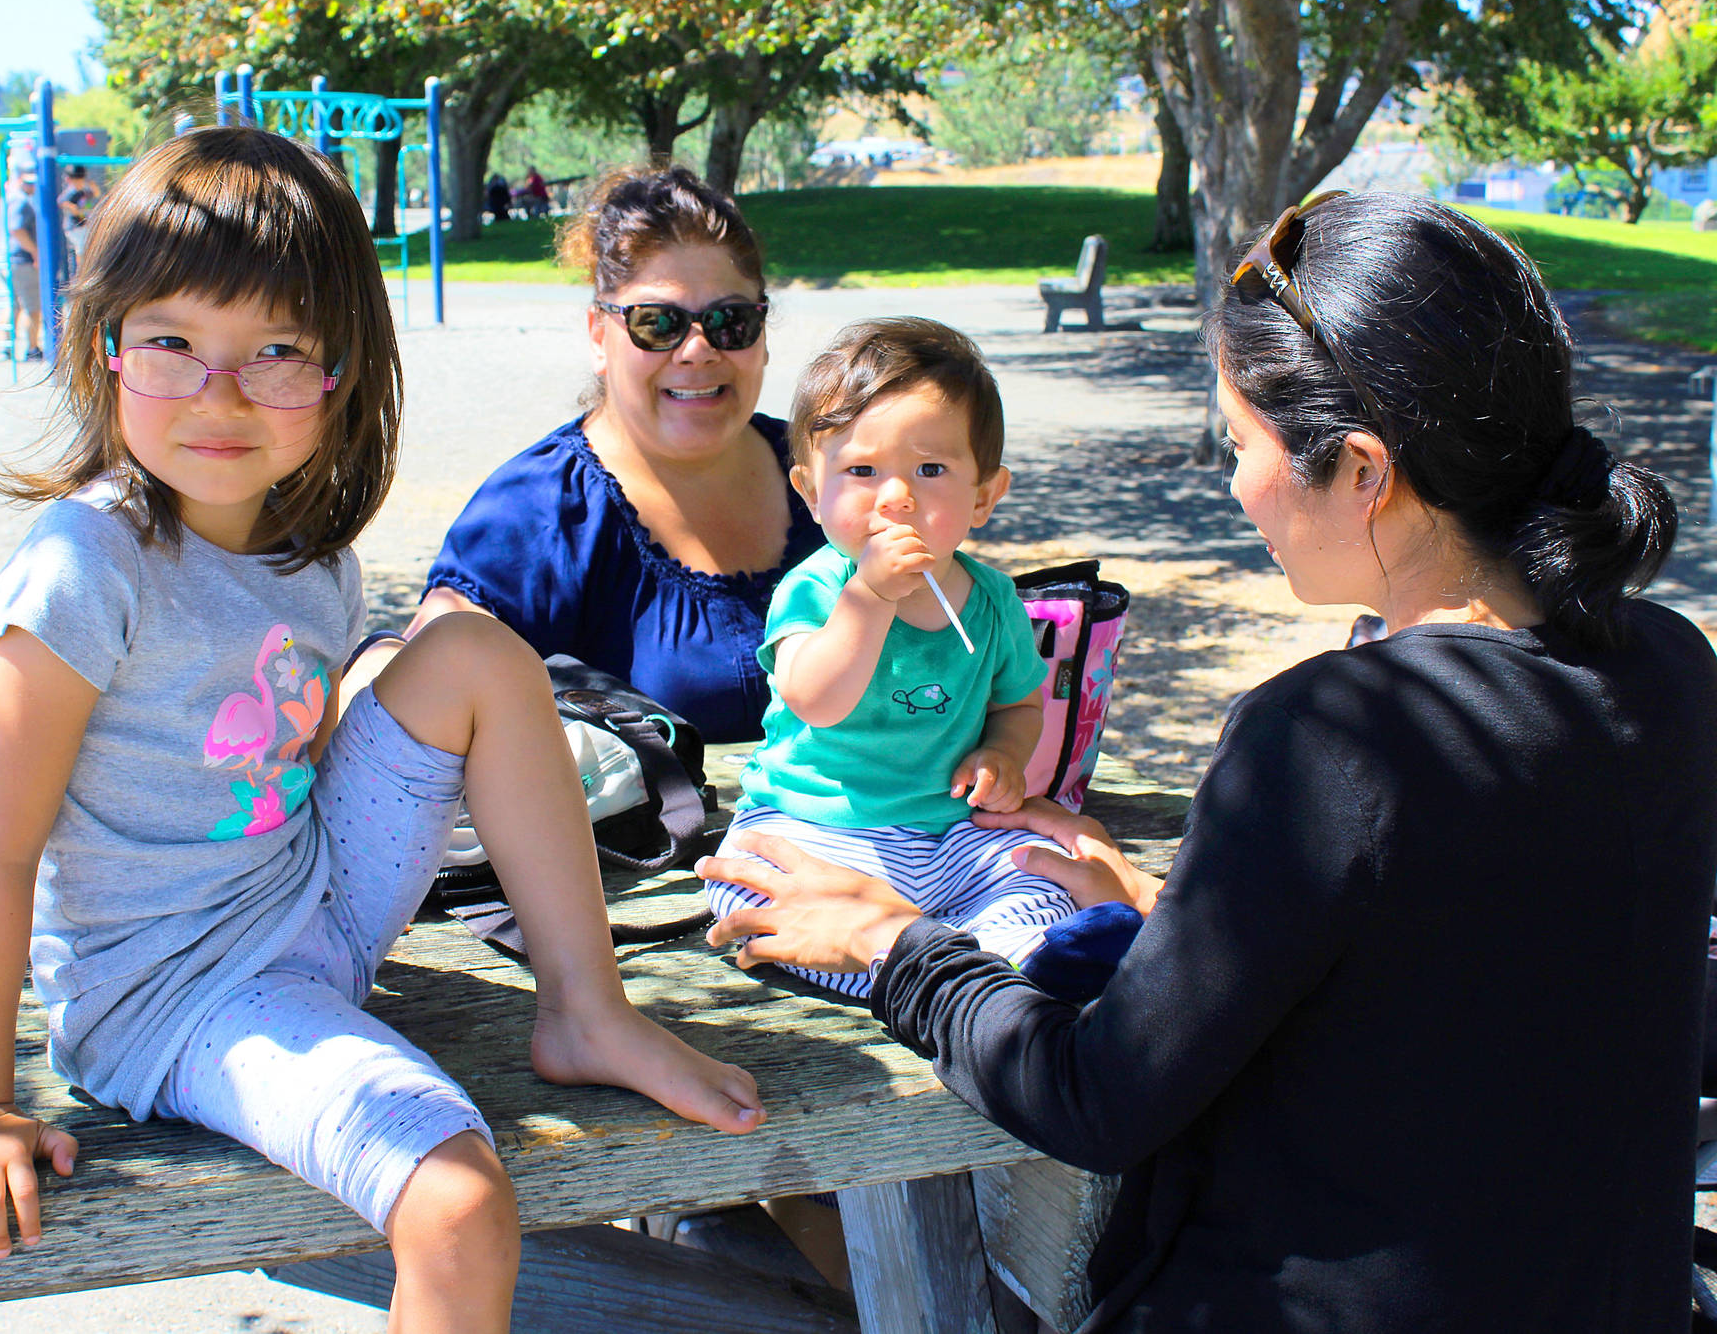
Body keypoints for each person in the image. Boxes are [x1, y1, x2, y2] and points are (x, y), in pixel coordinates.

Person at [700, 191, 1717, 1331]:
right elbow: (1468, 963)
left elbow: (1093, 1097)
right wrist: (1171, 904)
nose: (1234, 487)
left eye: (1240, 443)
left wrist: (890, 945)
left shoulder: (1331, 734)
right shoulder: (1670, 670)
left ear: (1363, 468)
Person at [0, 127, 763, 1328]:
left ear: (336, 374)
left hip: (311, 907)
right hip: (177, 992)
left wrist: (400, 728)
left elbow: (300, 754)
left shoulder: (312, 561)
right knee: (459, 1205)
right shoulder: (81, 568)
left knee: (469, 648)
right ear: (106, 352)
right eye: (172, 344)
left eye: (273, 352)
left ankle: (585, 1005)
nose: (219, 393)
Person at [702, 317, 1082, 1001]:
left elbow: (1020, 703)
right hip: (814, 823)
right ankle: (911, 963)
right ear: (811, 491)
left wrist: (1002, 753)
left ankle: (985, 953)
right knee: (748, 889)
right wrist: (868, 597)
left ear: (985, 495)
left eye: (931, 469)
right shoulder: (817, 590)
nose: (896, 496)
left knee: (1041, 873)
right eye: (862, 471)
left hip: (945, 833)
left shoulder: (993, 601)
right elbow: (815, 697)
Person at [393, 166, 822, 743]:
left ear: (762, 333)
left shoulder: (835, 468)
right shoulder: (537, 511)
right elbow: (421, 706)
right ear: (599, 337)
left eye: (729, 321)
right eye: (657, 324)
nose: (697, 350)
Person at [5, 161, 43, 362]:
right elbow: (17, 229)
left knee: (15, 305)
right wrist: (35, 251)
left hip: (15, 259)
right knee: (32, 308)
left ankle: (5, 345)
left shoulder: (14, 200)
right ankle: (32, 347)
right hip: (24, 260)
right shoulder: (23, 202)